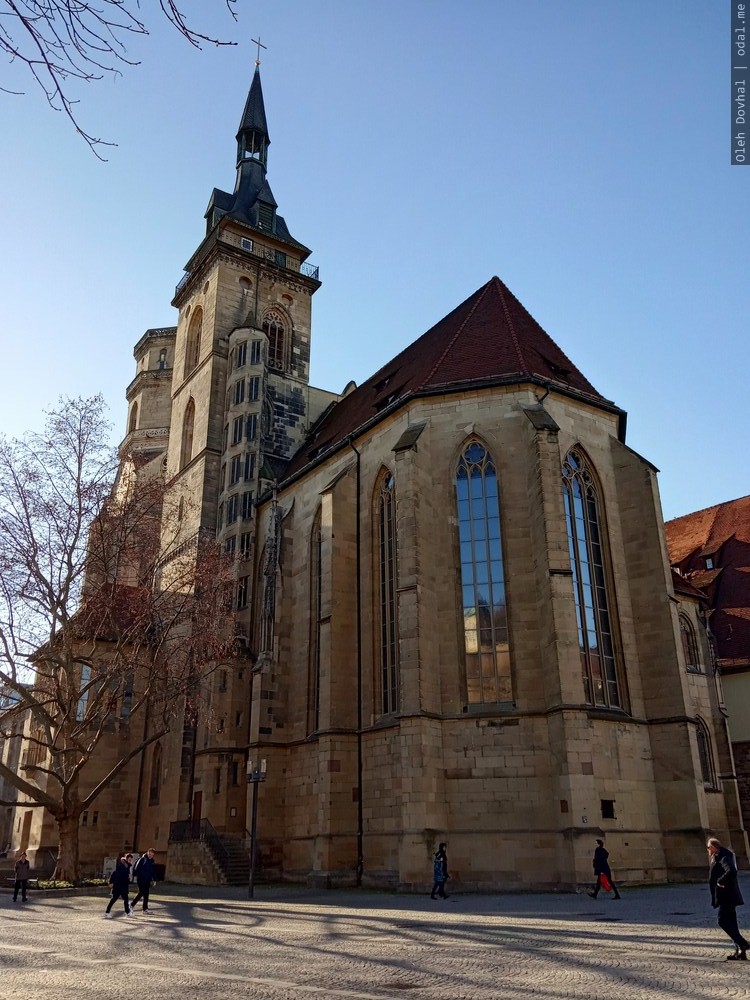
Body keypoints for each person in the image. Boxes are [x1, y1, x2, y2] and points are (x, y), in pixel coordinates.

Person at [707, 836, 749, 960]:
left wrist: (720, 881)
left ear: (713, 847)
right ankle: (740, 952)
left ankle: (743, 944)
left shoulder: (723, 856)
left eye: (708, 848)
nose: (708, 850)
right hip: (726, 896)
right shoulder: (719, 856)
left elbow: (731, 871)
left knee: (722, 921)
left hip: (727, 896)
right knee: (732, 923)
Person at [105, 853, 134, 918]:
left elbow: (126, 876)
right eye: (129, 860)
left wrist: (129, 878)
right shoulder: (121, 866)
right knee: (114, 899)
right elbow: (114, 874)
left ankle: (127, 912)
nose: (130, 861)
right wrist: (111, 882)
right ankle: (107, 912)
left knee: (126, 899)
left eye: (131, 860)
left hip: (124, 886)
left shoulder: (127, 866)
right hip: (118, 886)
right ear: (126, 859)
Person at [131, 848, 157, 913]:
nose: (150, 856)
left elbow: (152, 871)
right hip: (141, 879)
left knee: (146, 894)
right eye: (150, 854)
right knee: (142, 892)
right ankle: (131, 905)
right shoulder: (142, 860)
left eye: (152, 855)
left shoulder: (152, 861)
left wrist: (154, 880)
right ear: (147, 852)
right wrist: (141, 876)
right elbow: (137, 869)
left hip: (147, 880)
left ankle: (145, 909)